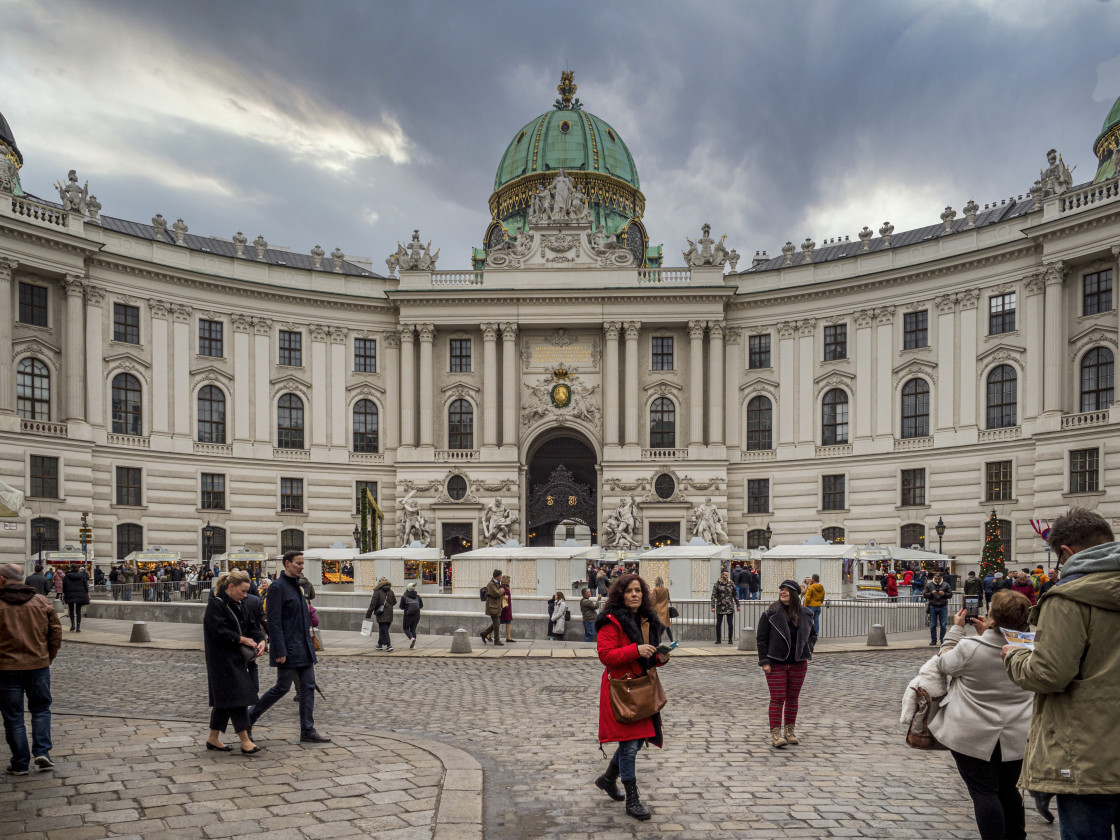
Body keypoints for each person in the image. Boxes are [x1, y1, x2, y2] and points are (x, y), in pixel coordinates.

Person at [1003, 508, 1120, 838]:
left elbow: (1049, 674)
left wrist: (1014, 656)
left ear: (1067, 552)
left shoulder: (1068, 598)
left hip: (1088, 753)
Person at [929, 591, 1034, 840]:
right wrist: (989, 633)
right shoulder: (1033, 648)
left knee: (984, 793)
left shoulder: (969, 648)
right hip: (1018, 735)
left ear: (993, 616)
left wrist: (955, 631)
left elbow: (943, 663)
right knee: (1010, 791)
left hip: (973, 735)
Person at [592, 573, 671, 821]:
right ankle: (633, 800)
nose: (635, 594)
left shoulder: (648, 619)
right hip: (622, 689)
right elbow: (606, 655)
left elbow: (650, 657)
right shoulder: (611, 621)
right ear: (620, 594)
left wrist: (660, 657)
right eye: (629, 591)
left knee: (636, 742)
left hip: (643, 687)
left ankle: (607, 779)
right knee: (629, 745)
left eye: (638, 590)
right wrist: (635, 649)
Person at [248, 551, 329, 744]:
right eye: (298, 563)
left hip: (304, 648)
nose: (301, 566)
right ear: (287, 563)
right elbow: (274, 622)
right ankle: (248, 720)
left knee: (308, 688)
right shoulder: (278, 587)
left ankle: (307, 730)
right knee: (282, 688)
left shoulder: (298, 586)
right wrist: (279, 650)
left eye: (302, 563)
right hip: (289, 649)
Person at [0, 563, 62, 775]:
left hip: (6, 667)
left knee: (13, 716)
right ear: (23, 578)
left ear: (2, 580)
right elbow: (55, 634)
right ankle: (42, 751)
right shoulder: (42, 601)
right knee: (41, 709)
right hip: (38, 664)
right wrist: (47, 657)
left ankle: (20, 763)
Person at [202, 571, 265, 755]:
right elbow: (219, 632)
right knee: (238, 699)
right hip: (220, 660)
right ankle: (245, 741)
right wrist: (242, 640)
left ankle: (213, 738)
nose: (246, 595)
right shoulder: (216, 605)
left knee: (225, 700)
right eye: (243, 591)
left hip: (234, 659)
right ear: (231, 587)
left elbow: (252, 625)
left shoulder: (239, 604)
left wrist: (261, 640)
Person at [757, 579, 817, 748]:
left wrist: (808, 649)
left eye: (787, 590)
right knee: (777, 698)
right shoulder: (770, 614)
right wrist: (764, 661)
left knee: (793, 698)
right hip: (776, 662)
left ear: (795, 594)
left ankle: (789, 732)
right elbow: (761, 639)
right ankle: (776, 734)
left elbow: (813, 635)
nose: (783, 592)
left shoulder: (805, 614)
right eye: (781, 589)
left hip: (799, 662)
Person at [240, 581, 267, 693]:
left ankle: (247, 690)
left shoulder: (241, 602)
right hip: (252, 637)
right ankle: (254, 689)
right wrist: (263, 638)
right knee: (252, 664)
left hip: (244, 638)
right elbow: (262, 620)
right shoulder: (255, 600)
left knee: (243, 665)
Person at [366, 577, 396, 652]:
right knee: (383, 629)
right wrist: (389, 606)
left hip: (381, 613)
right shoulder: (390, 591)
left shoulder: (377, 592)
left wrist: (368, 614)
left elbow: (373, 604)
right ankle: (379, 644)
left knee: (384, 630)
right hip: (390, 613)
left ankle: (389, 645)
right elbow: (394, 602)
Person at [710, 569, 739, 644]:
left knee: (730, 623)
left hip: (729, 606)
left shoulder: (731, 583)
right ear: (722, 575)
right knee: (719, 623)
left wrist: (738, 605)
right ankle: (718, 639)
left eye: (727, 575)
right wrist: (712, 606)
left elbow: (735, 595)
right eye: (725, 575)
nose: (727, 576)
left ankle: (730, 639)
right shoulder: (717, 584)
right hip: (720, 606)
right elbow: (713, 596)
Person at [924, 571, 953, 645]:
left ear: (941, 578)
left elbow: (950, 595)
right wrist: (931, 593)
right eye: (936, 579)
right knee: (933, 624)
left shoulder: (946, 585)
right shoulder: (929, 585)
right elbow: (925, 595)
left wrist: (944, 594)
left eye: (939, 579)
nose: (937, 580)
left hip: (943, 606)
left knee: (943, 625)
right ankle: (933, 640)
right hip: (933, 606)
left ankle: (942, 639)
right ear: (934, 578)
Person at [61, 566, 90, 633]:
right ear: (78, 569)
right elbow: (85, 585)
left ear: (71, 569)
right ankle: (78, 627)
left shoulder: (66, 576)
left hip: (69, 594)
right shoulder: (82, 576)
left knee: (71, 610)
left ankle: (72, 625)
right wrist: (87, 593)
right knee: (78, 611)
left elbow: (64, 586)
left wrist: (63, 594)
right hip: (80, 594)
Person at [479, 569, 504, 646]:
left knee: (497, 623)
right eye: (500, 575)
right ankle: (496, 640)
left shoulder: (497, 583)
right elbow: (496, 593)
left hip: (497, 606)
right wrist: (502, 590)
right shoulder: (491, 584)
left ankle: (484, 633)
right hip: (492, 607)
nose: (501, 577)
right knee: (496, 623)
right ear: (497, 576)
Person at [399, 582, 423, 649]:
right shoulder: (418, 597)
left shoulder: (404, 597)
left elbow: (401, 607)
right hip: (417, 615)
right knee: (413, 630)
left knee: (405, 628)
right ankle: (413, 645)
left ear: (407, 589)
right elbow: (421, 606)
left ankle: (411, 638)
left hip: (408, 615)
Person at [650, 577, 672, 642]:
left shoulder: (655, 590)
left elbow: (653, 601)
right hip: (665, 609)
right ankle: (672, 641)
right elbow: (668, 599)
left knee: (658, 626)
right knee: (667, 626)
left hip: (657, 610)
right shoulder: (666, 589)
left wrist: (651, 609)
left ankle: (660, 642)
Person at [499, 574, 515, 643]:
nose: (509, 582)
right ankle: (488, 635)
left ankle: (509, 638)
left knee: (508, 622)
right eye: (508, 580)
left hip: (507, 607)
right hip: (503, 607)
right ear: (505, 581)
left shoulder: (507, 587)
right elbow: (499, 595)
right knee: (497, 622)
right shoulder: (501, 587)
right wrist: (503, 596)